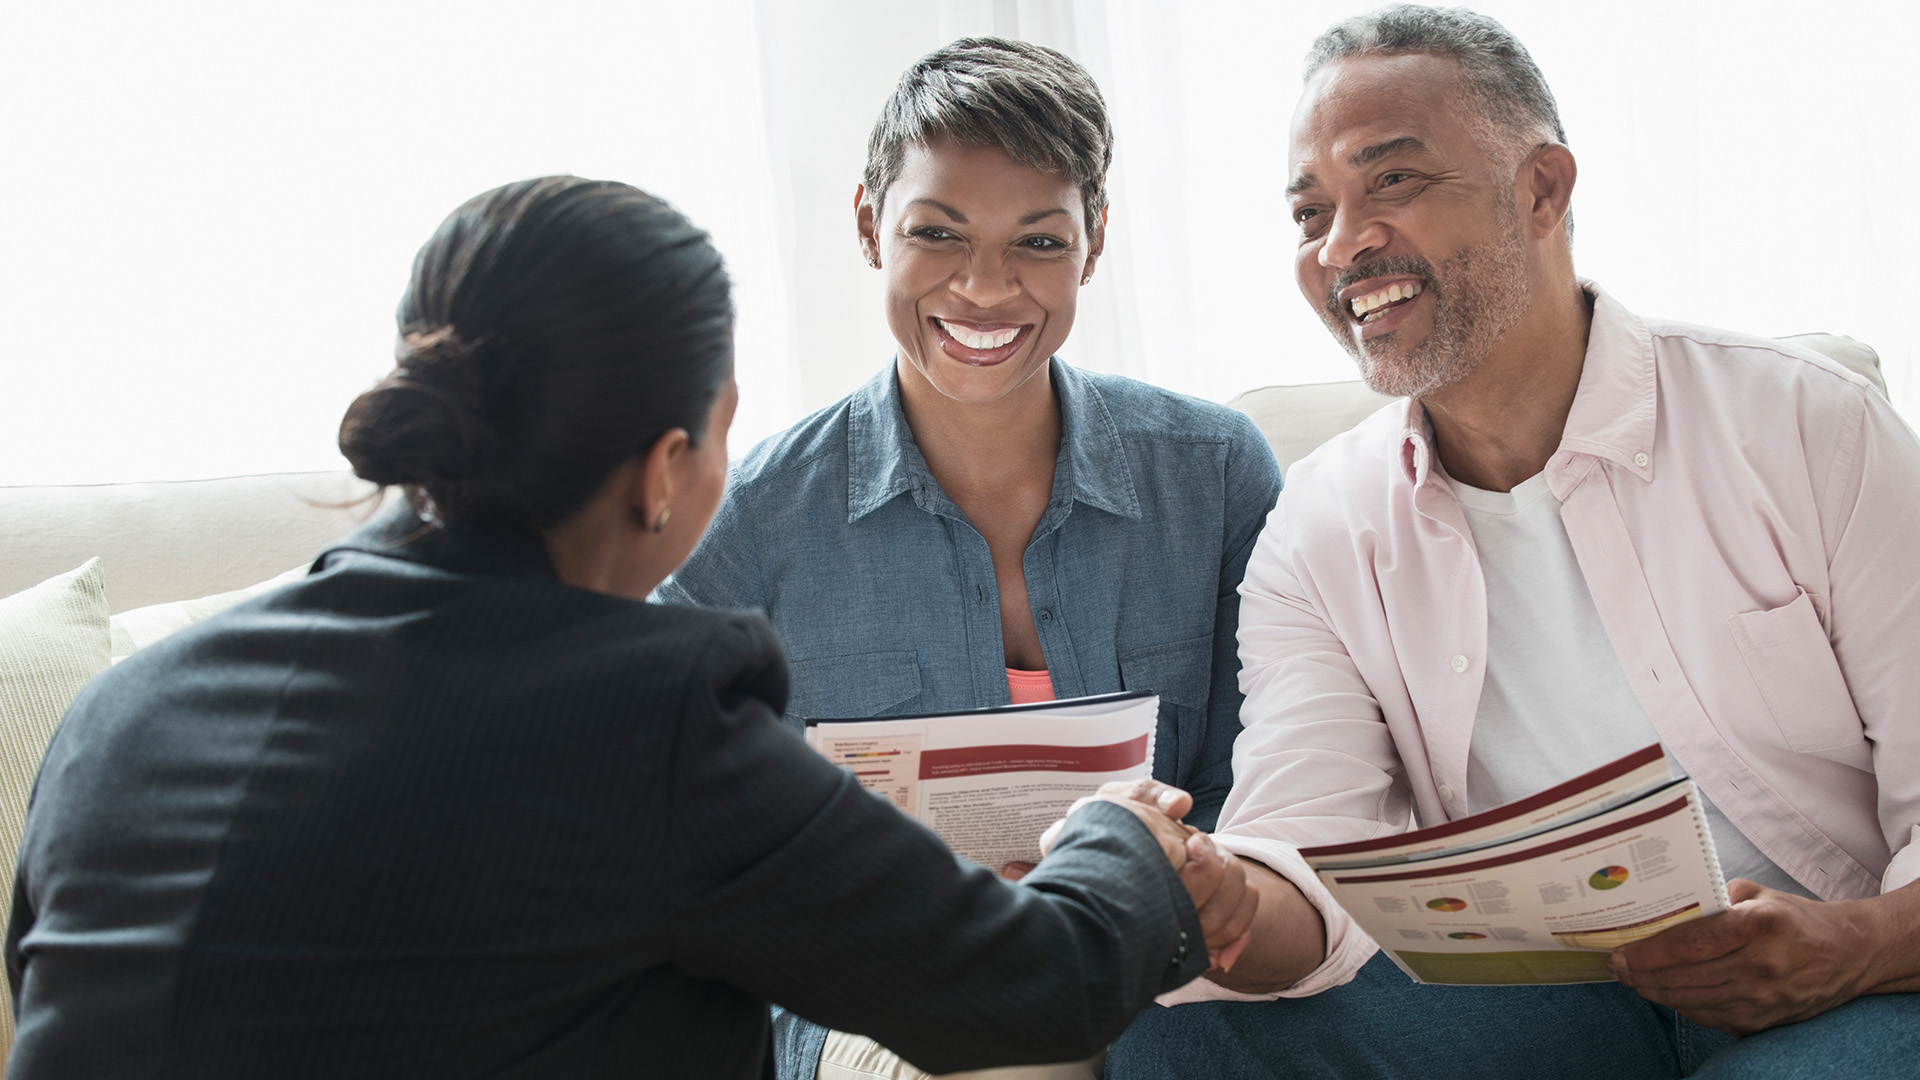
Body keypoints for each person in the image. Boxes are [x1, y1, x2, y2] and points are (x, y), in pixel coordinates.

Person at [2, 176, 1258, 1078]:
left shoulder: (124, 708)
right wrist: (1118, 837)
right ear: (667, 469)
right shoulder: (649, 711)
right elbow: (1034, 987)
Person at [1106, 6, 1920, 1079]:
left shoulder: (1807, 423)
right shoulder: (1316, 526)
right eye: (1310, 213)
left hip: (1846, 980)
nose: (1342, 245)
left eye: (1391, 181)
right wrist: (1216, 898)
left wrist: (1851, 950)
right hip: (1546, 1002)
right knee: (1167, 1026)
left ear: (1542, 190)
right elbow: (1307, 858)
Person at [655, 36, 1281, 1080]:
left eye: (1037, 242)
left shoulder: (1212, 473)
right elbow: (673, 824)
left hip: (1168, 968)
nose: (984, 289)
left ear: (1093, 242)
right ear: (869, 226)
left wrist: (1162, 874)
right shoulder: (754, 516)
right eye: (937, 232)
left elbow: (1259, 781)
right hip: (881, 1000)